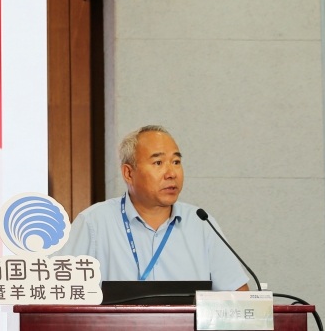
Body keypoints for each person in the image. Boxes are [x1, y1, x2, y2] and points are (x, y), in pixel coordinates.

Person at [57, 125, 249, 291]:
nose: (171, 173)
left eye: (176, 162)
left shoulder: (201, 224)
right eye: (158, 163)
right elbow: (57, 292)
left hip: (186, 326)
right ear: (128, 173)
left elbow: (238, 297)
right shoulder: (94, 223)